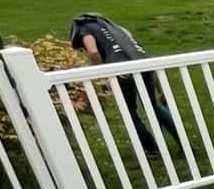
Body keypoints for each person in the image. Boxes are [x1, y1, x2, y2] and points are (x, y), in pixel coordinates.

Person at [67, 13, 182, 157]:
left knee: (129, 112)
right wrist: (159, 89)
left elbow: (93, 50)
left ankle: (152, 148)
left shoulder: (84, 29)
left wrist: (103, 74)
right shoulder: (117, 28)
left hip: (122, 70)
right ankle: (184, 144)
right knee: (153, 106)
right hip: (143, 64)